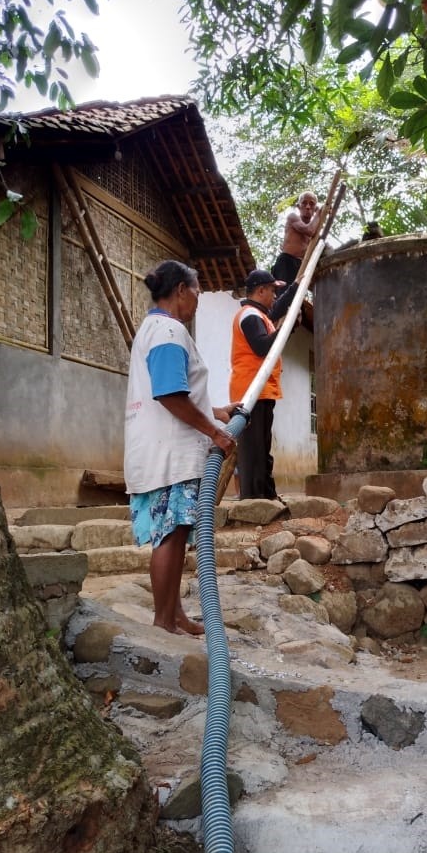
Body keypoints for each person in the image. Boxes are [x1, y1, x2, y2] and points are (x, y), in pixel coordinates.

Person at [124, 259, 238, 635]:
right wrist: (215, 432)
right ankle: (163, 622)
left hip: (161, 448)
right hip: (170, 452)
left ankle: (175, 615)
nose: (199, 298)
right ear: (181, 291)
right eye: (198, 291)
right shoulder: (170, 332)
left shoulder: (155, 329)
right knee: (171, 535)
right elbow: (170, 393)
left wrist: (218, 412)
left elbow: (179, 390)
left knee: (176, 532)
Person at [229, 268, 300, 500]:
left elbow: (278, 311)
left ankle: (266, 497)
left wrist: (296, 288)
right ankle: (253, 501)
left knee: (261, 450)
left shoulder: (259, 316)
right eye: (272, 291)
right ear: (260, 291)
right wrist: (286, 328)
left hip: (261, 391)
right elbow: (261, 346)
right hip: (251, 392)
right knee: (254, 452)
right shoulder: (250, 316)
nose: (275, 297)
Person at [272, 190, 321, 286]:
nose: (307, 207)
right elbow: (309, 231)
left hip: (300, 266)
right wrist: (319, 213)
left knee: (294, 296)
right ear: (298, 207)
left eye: (311, 204)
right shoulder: (292, 217)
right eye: (304, 203)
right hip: (286, 263)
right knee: (284, 295)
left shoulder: (316, 229)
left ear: (315, 208)